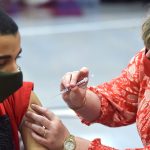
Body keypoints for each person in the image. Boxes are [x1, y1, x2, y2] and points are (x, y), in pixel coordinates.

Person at [25, 16, 150, 150]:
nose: (146, 56)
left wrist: (70, 144)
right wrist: (82, 100)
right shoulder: (146, 59)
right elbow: (119, 102)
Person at [0, 9, 48, 150]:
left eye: (16, 58)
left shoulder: (19, 98)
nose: (15, 70)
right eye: (1, 63)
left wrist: (68, 143)